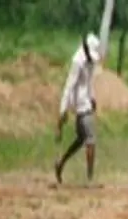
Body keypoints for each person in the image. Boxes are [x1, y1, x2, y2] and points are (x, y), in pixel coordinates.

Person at [55, 33, 103, 185]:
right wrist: (63, 109)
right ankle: (90, 179)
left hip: (86, 103)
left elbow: (88, 82)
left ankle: (61, 163)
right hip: (81, 106)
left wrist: (92, 97)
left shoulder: (90, 61)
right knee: (91, 141)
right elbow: (69, 86)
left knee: (82, 139)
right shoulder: (77, 62)